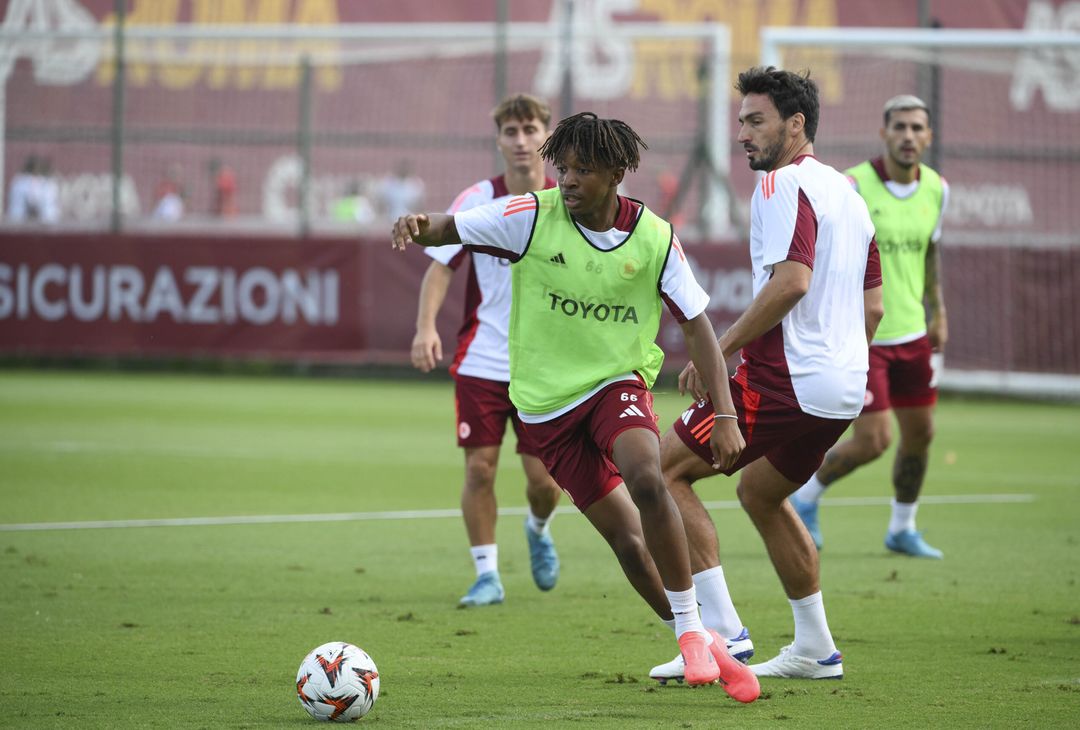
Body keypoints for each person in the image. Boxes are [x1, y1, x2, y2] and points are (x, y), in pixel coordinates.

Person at [392, 112, 760, 703]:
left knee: (646, 474)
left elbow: (698, 328)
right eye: (561, 167)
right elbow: (452, 227)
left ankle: (693, 631)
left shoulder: (656, 237)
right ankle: (699, 638)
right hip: (545, 409)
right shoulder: (531, 217)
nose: (566, 178)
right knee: (626, 542)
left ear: (616, 172)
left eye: (582, 169)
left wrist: (724, 415)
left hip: (617, 385)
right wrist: (419, 224)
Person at [646, 66, 883, 683]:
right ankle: (815, 647)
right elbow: (875, 304)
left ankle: (724, 631)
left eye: (756, 121)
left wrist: (716, 352)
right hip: (840, 388)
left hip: (789, 377)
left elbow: (792, 281)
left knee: (662, 470)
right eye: (742, 121)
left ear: (795, 124)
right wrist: (843, 365)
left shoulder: (781, 185)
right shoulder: (851, 196)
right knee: (760, 492)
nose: (744, 134)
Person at [410, 93, 563, 608]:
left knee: (544, 482)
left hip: (545, 364)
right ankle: (486, 574)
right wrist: (426, 327)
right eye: (511, 132)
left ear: (548, 134)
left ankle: (539, 530)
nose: (522, 141)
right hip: (482, 357)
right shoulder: (477, 198)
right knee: (480, 468)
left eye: (530, 130)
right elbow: (440, 267)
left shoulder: (569, 197)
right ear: (499, 141)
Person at [790, 95, 948, 559]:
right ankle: (806, 497)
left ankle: (903, 527)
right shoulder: (852, 184)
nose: (908, 136)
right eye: (899, 127)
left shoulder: (938, 188)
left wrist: (939, 311)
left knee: (921, 434)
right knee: (875, 440)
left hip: (914, 335)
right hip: (865, 334)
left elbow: (931, 252)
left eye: (917, 128)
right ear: (883, 133)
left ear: (928, 137)